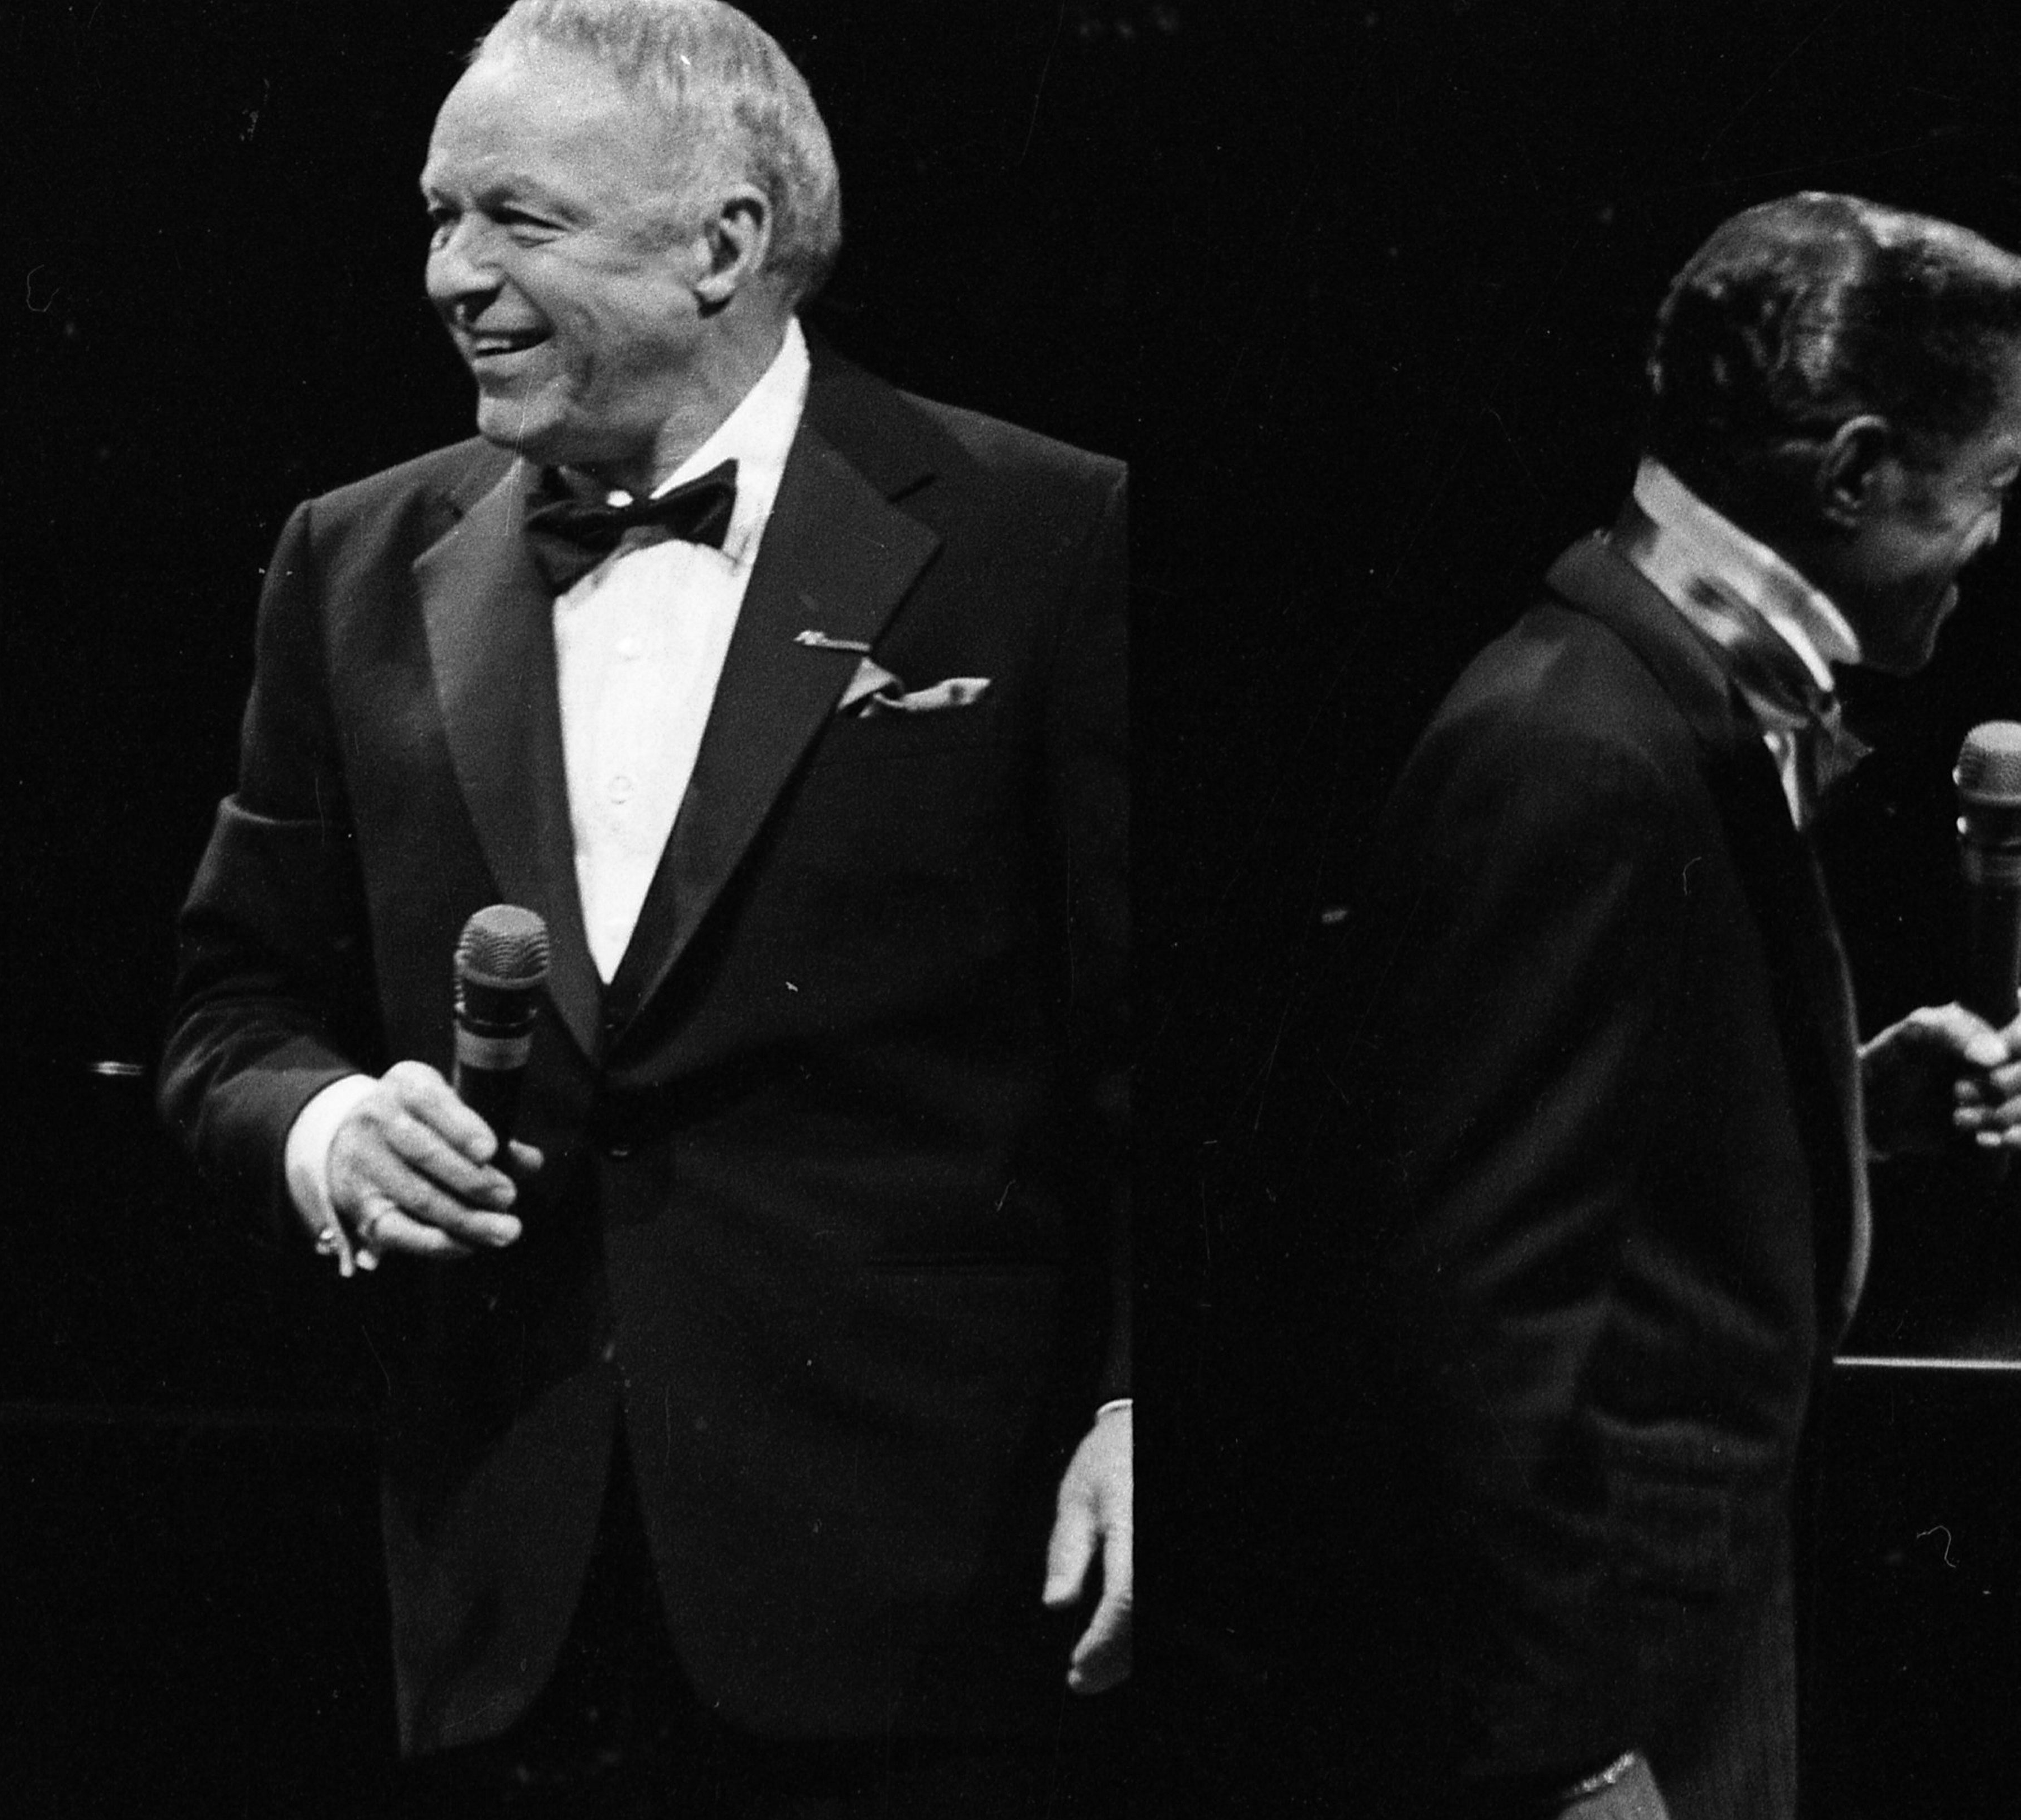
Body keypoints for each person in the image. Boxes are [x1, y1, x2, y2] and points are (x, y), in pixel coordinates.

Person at [159, 1, 1129, 1810]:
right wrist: (327, 1130)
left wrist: (1153, 1411)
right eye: (438, 217)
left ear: (724, 245)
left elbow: (1176, 1060)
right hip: (504, 1590)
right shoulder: (350, 557)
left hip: (928, 1585)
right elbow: (230, 1017)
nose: (452, 274)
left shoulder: (1041, 540)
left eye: (516, 220)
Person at [1205, 193, 2021, 1819]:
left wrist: (1841, 1119)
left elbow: (1582, 1158)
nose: (1998, 537)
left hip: (1681, 1639)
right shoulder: (1577, 748)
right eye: (1991, 486)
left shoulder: (1665, 692)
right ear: (1855, 474)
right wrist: (1572, 1758)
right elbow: (1472, 1308)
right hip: (1598, 1707)